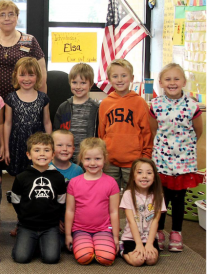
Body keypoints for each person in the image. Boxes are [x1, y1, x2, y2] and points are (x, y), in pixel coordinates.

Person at [149, 63, 203, 252]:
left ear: (184, 82)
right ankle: (160, 231)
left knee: (179, 199)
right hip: (161, 159)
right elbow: (153, 129)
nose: (172, 83)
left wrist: (183, 147)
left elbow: (198, 131)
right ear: (161, 83)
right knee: (161, 198)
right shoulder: (155, 104)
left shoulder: (192, 105)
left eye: (176, 79)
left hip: (184, 160)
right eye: (168, 79)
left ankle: (177, 232)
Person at [10, 132, 66, 264]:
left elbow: (61, 201)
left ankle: (39, 244)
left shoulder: (58, 177)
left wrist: (56, 220)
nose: (42, 154)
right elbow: (15, 201)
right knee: (21, 258)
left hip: (50, 226)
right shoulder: (21, 177)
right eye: (37, 150)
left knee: (51, 258)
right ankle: (28, 243)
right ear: (29, 155)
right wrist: (23, 216)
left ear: (52, 155)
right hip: (27, 226)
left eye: (46, 150)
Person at [98, 59, 152, 190]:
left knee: (134, 195)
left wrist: (146, 157)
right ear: (109, 79)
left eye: (124, 75)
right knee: (110, 195)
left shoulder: (139, 102)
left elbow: (147, 133)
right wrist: (102, 155)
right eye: (115, 76)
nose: (120, 80)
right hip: (110, 161)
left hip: (134, 161)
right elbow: (101, 133)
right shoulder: (105, 103)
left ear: (132, 78)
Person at [65, 138, 120, 266]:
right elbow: (70, 210)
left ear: (104, 159)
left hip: (104, 229)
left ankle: (98, 245)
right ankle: (89, 246)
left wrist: (116, 237)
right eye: (88, 159)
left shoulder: (111, 183)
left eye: (97, 159)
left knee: (107, 258)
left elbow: (114, 212)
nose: (92, 163)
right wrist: (68, 235)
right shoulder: (74, 183)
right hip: (80, 229)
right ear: (82, 159)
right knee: (84, 257)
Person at [4, 57, 51, 177]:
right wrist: (6, 148)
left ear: (38, 76)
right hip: (17, 144)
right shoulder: (11, 98)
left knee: (37, 174)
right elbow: (8, 123)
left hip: (38, 144)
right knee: (20, 177)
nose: (26, 79)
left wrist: (50, 145)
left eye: (31, 75)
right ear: (16, 75)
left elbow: (47, 122)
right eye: (22, 75)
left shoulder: (43, 98)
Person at [120, 158, 165, 266]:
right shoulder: (128, 194)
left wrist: (149, 244)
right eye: (140, 172)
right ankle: (121, 250)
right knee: (137, 261)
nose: (144, 176)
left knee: (151, 260)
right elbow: (131, 222)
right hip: (131, 237)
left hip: (149, 237)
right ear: (133, 176)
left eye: (149, 173)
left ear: (154, 177)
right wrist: (139, 244)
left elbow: (155, 221)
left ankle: (147, 247)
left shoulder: (159, 196)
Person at [53, 63, 99, 160]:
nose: (78, 87)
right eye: (74, 82)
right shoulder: (63, 107)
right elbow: (56, 131)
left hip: (88, 156)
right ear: (69, 83)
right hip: (65, 155)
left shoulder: (96, 108)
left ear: (90, 84)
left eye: (83, 83)